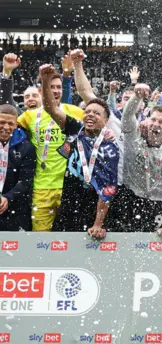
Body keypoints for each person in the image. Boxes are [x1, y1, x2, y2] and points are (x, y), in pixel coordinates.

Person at [38, 64, 118, 238]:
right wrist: (45, 81)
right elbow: (51, 108)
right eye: (87, 111)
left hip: (93, 207)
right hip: (68, 203)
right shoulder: (75, 129)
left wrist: (98, 224)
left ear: (105, 121)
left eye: (96, 114)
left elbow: (108, 189)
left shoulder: (109, 147)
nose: (90, 115)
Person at [17, 65, 84, 232]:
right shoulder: (28, 116)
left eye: (59, 87)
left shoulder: (75, 112)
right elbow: (7, 128)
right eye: (51, 87)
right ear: (42, 90)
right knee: (40, 240)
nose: (56, 91)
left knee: (70, 237)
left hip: (69, 186)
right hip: (42, 187)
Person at [109, 84, 162, 241]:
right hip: (128, 196)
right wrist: (137, 96)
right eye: (153, 119)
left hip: (155, 202)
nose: (155, 124)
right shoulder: (134, 135)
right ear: (147, 120)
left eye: (161, 122)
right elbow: (127, 115)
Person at [0, 104, 35, 231]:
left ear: (16, 125)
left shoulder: (26, 147)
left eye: (10, 123)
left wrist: (8, 197)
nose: (6, 127)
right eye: (2, 122)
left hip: (16, 207)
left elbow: (26, 180)